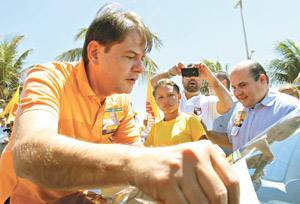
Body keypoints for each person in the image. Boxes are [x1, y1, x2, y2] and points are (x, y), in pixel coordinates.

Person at [0, 3, 239, 204]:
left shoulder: (121, 101)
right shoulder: (49, 77)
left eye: (142, 58)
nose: (140, 68)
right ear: (94, 53)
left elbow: (134, 151)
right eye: (129, 56)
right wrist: (142, 164)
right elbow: (29, 153)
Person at [208, 60, 300, 151]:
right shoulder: (239, 110)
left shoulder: (290, 109)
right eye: (234, 87)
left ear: (262, 80)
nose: (237, 93)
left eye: (243, 85)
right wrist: (205, 132)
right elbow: (231, 140)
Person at [151, 62, 233, 130]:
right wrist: (171, 72)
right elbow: (152, 84)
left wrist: (210, 76)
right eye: (188, 75)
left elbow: (228, 104)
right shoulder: (173, 97)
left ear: (203, 79)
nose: (192, 78)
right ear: (182, 80)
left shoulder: (208, 101)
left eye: (196, 74)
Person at [144, 79, 206, 147]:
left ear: (179, 96)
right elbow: (146, 153)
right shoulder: (155, 128)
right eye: (160, 97)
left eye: (170, 95)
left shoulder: (190, 120)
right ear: (156, 101)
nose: (166, 100)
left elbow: (205, 150)